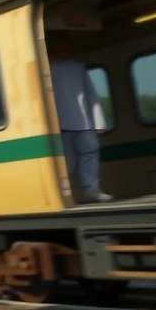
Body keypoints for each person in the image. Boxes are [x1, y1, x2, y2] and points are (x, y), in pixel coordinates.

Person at [48, 32, 112, 203]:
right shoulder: (49, 68)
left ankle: (91, 189)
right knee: (68, 162)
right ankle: (68, 193)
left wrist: (98, 121)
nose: (67, 49)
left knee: (88, 155)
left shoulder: (77, 67)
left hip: (83, 123)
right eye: (63, 46)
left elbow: (90, 94)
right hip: (62, 125)